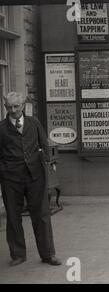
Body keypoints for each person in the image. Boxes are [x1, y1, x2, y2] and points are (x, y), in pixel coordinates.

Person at [0, 92, 61, 267]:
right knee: (13, 216)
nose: (13, 110)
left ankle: (48, 254)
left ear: (22, 105)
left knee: (41, 215)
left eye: (16, 106)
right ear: (5, 108)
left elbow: (45, 144)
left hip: (35, 177)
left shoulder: (33, 123)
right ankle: (18, 254)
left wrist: (47, 163)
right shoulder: (1, 128)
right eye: (9, 107)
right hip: (11, 179)